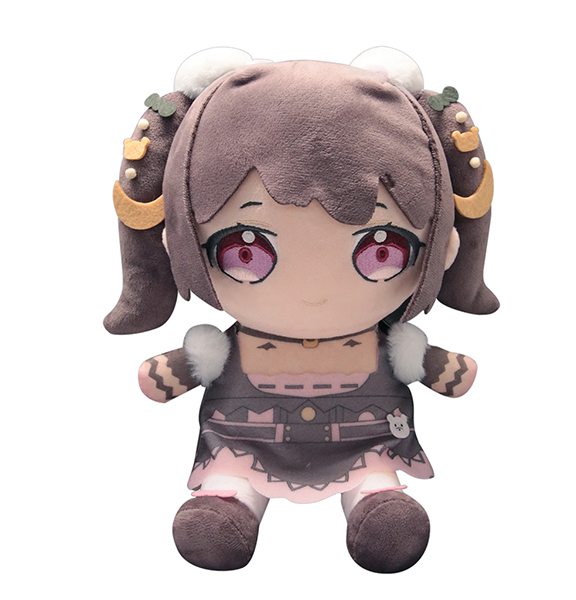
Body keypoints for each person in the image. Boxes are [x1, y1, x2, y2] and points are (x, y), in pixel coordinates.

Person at [106, 47, 498, 573]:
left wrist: (442, 367)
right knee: (229, 484)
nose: (315, 292)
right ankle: (230, 501)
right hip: (243, 441)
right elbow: (161, 381)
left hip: (367, 441)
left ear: (441, 247)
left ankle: (374, 501)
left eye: (382, 248)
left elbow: (452, 375)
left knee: (379, 493)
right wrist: (174, 369)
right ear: (179, 244)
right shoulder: (223, 349)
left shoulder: (391, 345)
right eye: (245, 250)